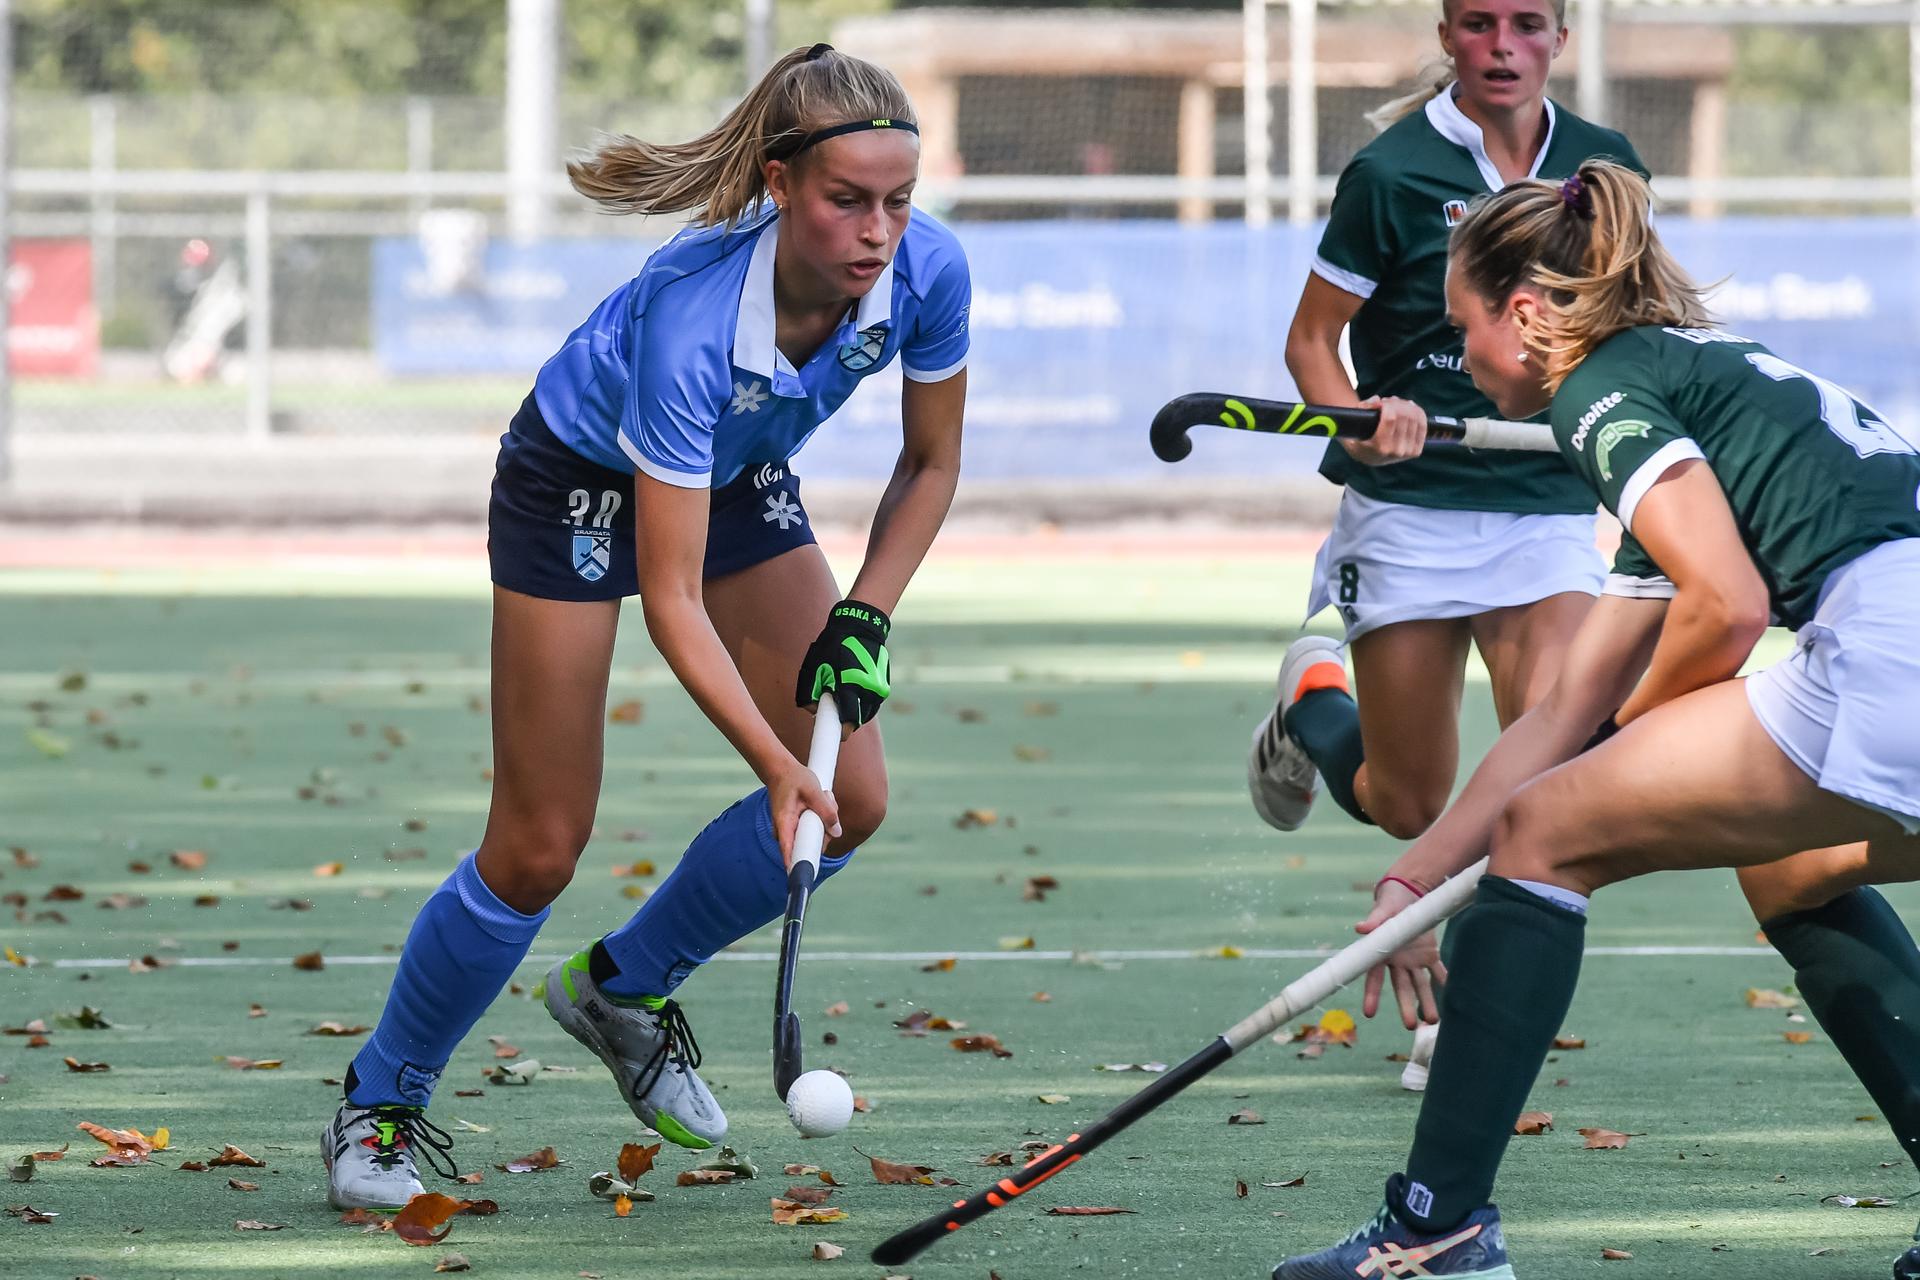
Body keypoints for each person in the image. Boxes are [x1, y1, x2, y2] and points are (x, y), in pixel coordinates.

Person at [321, 43, 971, 1211]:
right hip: (575, 477)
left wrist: (868, 610)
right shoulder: (692, 316)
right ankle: (383, 1096)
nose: (881, 232)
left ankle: (623, 986)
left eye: (898, 200)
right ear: (779, 187)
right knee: (536, 846)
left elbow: (931, 463)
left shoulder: (931, 271)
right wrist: (773, 761)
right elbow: (672, 601)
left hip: (736, 476)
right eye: (847, 201)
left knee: (854, 796)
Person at [1272, 159, 1920, 1280]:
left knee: (1545, 835)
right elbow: (1568, 706)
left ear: (1523, 316)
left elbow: (1728, 604)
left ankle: (1438, 1231)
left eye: (1463, 324)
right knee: (1791, 867)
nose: (1464, 357)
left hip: (1890, 652)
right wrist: (1413, 877)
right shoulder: (1689, 377)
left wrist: (1625, 747)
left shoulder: (1603, 391)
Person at [1248, 0, 1646, 1092]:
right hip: (1412, 507)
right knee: (1410, 802)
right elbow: (1311, 339)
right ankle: (1310, 703)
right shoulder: (1393, 171)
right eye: (1479, 23)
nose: (1503, 45)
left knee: (1551, 770)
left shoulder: (1608, 167)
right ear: (1448, 34)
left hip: (1547, 501)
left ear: (1561, 36)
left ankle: (1457, 1012)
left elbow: (1635, 326)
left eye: (1527, 23)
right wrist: (1358, 427)